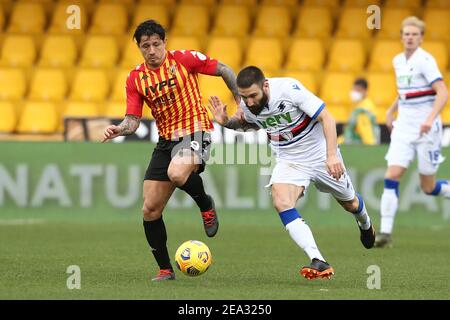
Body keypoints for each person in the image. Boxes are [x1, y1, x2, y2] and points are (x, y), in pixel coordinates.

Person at [102, 20, 240, 280]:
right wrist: (119, 129)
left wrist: (239, 102)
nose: (152, 50)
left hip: (196, 129)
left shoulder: (184, 60)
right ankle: (165, 269)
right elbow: (132, 120)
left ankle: (205, 204)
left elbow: (224, 69)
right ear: (139, 48)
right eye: (146, 46)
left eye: (156, 44)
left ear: (164, 43)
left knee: (177, 173)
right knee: (150, 209)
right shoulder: (136, 79)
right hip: (166, 141)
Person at [208, 66, 376, 280]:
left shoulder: (288, 89)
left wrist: (331, 155)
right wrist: (228, 123)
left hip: (319, 153)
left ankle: (365, 223)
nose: (249, 102)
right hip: (289, 158)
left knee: (350, 203)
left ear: (265, 85)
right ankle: (318, 260)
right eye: (244, 97)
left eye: (253, 96)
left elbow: (327, 117)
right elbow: (251, 126)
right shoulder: (248, 106)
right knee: (281, 201)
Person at [375, 17, 449, 248]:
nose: (410, 37)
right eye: (406, 34)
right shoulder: (398, 61)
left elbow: (443, 93)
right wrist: (391, 110)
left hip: (427, 130)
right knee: (391, 175)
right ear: (401, 36)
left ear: (421, 38)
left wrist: (429, 119)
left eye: (414, 34)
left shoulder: (426, 61)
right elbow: (405, 92)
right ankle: (385, 233)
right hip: (404, 127)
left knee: (428, 188)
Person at [338, 78, 380, 145]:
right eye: (354, 89)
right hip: (355, 137)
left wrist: (370, 144)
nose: (354, 92)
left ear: (365, 91)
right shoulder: (357, 104)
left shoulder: (365, 108)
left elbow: (367, 132)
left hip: (363, 141)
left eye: (358, 90)